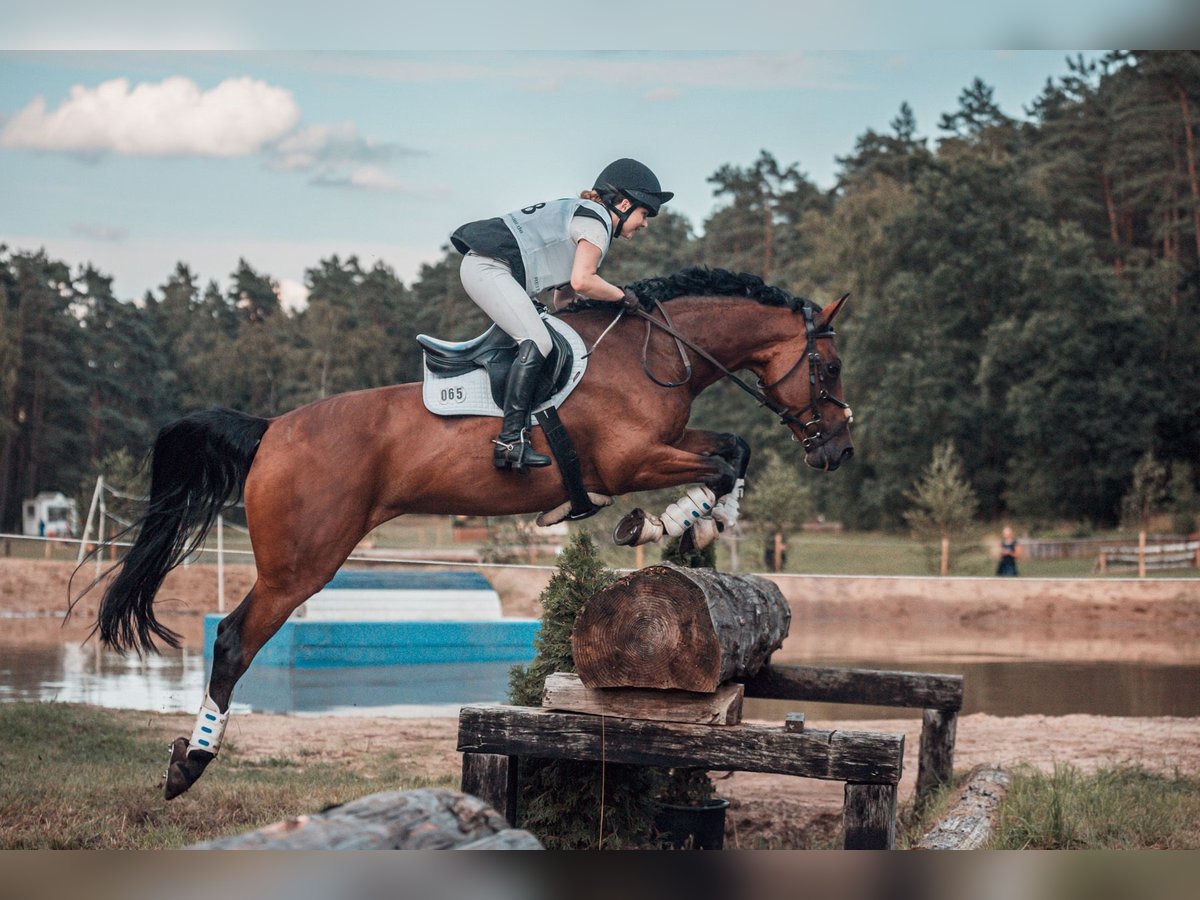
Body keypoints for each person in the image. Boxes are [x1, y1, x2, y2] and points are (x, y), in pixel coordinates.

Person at [449, 158, 673, 473]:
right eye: (644, 213)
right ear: (623, 204)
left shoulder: (585, 216)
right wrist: (624, 297)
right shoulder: (596, 224)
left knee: (545, 336)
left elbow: (565, 294)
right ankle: (510, 442)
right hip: (488, 267)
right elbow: (584, 281)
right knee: (538, 340)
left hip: (491, 268)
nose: (645, 223)